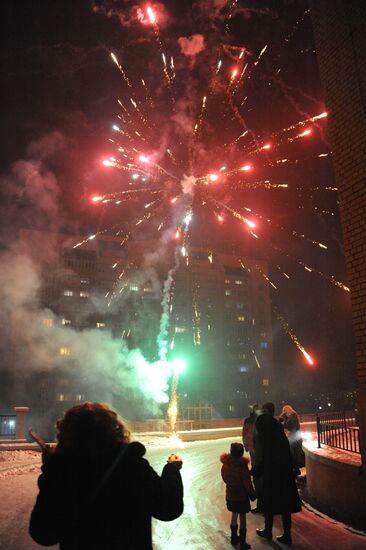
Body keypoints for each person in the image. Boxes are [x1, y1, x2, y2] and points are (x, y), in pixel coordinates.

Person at [29, 402, 184, 550]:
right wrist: (172, 469)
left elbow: (44, 534)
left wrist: (52, 472)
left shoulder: (64, 474)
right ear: (113, 430)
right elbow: (168, 508)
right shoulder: (134, 467)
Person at [253, 402, 301, 546]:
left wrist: (258, 469)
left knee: (269, 501)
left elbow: (267, 454)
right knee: (284, 503)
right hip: (284, 473)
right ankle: (287, 535)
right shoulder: (277, 429)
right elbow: (286, 451)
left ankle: (268, 531)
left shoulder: (266, 431)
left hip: (273, 473)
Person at [220, 442, 256, 549]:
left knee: (234, 515)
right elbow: (246, 482)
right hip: (241, 496)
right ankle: (243, 543)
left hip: (230, 494)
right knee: (242, 518)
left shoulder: (226, 464)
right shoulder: (242, 465)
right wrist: (252, 493)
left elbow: (225, 477)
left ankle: (234, 537)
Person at [242, 403, 262, 513]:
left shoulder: (249, 420)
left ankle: (261, 501)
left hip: (254, 449)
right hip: (257, 449)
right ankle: (262, 501)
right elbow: (245, 434)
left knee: (257, 474)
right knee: (259, 474)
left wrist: (246, 446)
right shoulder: (259, 420)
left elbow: (244, 434)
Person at [279, 404, 305, 476]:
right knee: (293, 454)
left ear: (289, 410)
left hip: (295, 438)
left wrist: (288, 430)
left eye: (285, 411)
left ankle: (296, 470)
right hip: (291, 438)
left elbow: (294, 427)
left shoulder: (293, 417)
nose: (285, 412)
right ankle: (295, 469)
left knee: (295, 454)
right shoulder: (286, 417)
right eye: (284, 411)